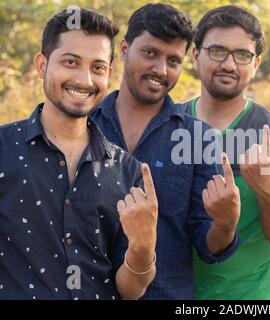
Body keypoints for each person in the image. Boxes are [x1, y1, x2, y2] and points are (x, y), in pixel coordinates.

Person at [0, 8, 157, 300]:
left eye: (97, 67)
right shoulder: (3, 149)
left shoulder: (127, 171)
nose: (84, 80)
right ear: (41, 64)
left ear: (109, 74)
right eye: (70, 62)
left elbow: (131, 290)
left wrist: (142, 247)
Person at [90, 3, 240, 300]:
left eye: (173, 60)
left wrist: (226, 223)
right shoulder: (84, 124)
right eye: (150, 53)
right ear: (123, 50)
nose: (161, 70)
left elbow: (208, 245)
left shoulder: (198, 138)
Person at [182, 5, 270, 299]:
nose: (229, 64)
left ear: (256, 63)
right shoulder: (169, 125)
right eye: (217, 51)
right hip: (176, 294)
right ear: (195, 55)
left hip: (249, 297)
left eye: (242, 55)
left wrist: (265, 190)